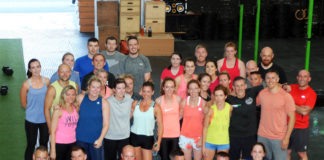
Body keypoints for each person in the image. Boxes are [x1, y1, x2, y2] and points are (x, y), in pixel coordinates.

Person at [256, 70, 296, 160]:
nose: (270, 80)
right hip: (262, 136)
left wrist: (287, 138)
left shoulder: (286, 96)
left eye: (273, 78)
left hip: (279, 137)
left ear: (277, 79)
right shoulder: (262, 94)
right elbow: (251, 104)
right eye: (268, 78)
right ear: (265, 80)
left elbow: (293, 118)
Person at [226, 77, 263, 160]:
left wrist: (284, 86)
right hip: (234, 136)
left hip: (250, 135)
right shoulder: (229, 99)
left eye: (241, 85)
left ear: (246, 86)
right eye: (237, 86)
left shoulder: (252, 92)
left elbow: (265, 86)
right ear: (233, 87)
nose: (239, 88)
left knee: (249, 158)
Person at [20, 59, 50, 160]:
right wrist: (33, 111)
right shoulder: (26, 84)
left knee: (44, 144)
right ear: (29, 69)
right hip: (31, 120)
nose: (36, 69)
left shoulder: (46, 81)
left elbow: (49, 98)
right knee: (31, 145)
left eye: (38, 66)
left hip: (45, 119)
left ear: (40, 67)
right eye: (33, 67)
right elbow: (24, 103)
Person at [285, 70, 317, 160]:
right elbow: (278, 86)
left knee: (301, 153)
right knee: (286, 151)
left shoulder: (311, 93)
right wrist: (283, 86)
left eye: (305, 76)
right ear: (297, 77)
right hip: (286, 126)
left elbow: (304, 112)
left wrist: (289, 103)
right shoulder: (291, 87)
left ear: (309, 79)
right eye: (300, 76)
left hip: (301, 128)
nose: (302, 78)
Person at [76, 76, 110, 160]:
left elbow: (106, 124)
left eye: (98, 87)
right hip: (80, 140)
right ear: (88, 87)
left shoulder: (104, 103)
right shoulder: (80, 98)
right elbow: (70, 112)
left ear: (101, 89)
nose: (95, 89)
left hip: (96, 141)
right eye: (93, 87)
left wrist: (100, 139)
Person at [130, 81, 163, 160]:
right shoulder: (135, 104)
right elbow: (127, 118)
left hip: (147, 138)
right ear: (141, 91)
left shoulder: (156, 107)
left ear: (152, 92)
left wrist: (158, 142)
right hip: (134, 136)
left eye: (148, 91)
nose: (146, 94)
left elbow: (161, 126)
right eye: (144, 91)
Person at [104, 78, 134, 160]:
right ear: (114, 89)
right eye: (119, 88)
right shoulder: (108, 101)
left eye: (123, 88)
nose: (121, 91)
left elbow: (132, 111)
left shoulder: (129, 100)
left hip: (124, 137)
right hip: (110, 137)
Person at [44, 64, 78, 133]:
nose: (65, 74)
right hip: (57, 126)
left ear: (70, 73)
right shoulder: (52, 88)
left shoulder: (75, 85)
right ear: (58, 73)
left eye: (67, 72)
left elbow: (76, 105)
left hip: (71, 125)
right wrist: (50, 126)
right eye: (62, 72)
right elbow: (46, 109)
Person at [202, 85, 233, 160]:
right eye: (216, 96)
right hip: (210, 141)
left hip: (224, 142)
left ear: (225, 96)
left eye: (221, 95)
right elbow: (205, 128)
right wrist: (203, 146)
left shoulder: (230, 108)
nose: (218, 98)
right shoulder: (210, 110)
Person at [179, 80, 207, 160]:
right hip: (185, 136)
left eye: (195, 88)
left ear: (199, 89)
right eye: (191, 89)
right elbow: (178, 117)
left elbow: (206, 123)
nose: (193, 91)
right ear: (188, 90)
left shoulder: (203, 103)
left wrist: (202, 139)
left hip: (198, 137)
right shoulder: (184, 102)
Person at [155, 77, 182, 160]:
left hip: (175, 135)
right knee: (164, 158)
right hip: (163, 135)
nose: (169, 89)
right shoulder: (158, 101)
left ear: (174, 88)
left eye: (171, 87)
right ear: (163, 88)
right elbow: (156, 119)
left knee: (174, 158)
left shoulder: (178, 99)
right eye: (167, 87)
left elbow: (181, 115)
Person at [50, 85, 79, 160]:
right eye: (68, 94)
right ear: (63, 95)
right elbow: (52, 132)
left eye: (73, 94)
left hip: (72, 142)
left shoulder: (75, 108)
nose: (71, 97)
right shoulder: (58, 110)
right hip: (60, 144)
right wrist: (53, 151)